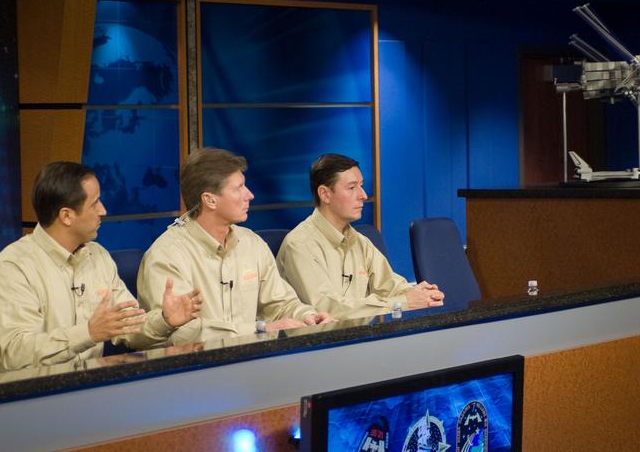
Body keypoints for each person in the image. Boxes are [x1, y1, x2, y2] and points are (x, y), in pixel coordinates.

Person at [0, 161, 199, 371]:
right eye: (94, 203)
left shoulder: (98, 256)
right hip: (29, 397)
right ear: (66, 215)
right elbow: (14, 355)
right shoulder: (12, 269)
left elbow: (129, 327)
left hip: (89, 388)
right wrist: (88, 333)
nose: (103, 210)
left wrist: (164, 320)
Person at [138, 147, 332, 343]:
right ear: (210, 200)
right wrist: (259, 329)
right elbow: (182, 334)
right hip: (194, 368)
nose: (250, 195)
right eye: (239, 188)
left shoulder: (252, 244)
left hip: (251, 364)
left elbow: (280, 304)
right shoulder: (166, 255)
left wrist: (307, 316)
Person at [277, 154, 443, 318]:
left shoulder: (360, 241)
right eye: (352, 188)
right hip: (320, 343)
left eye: (361, 186)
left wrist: (420, 294)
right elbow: (328, 310)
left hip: (360, 340)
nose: (363, 195)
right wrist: (402, 302)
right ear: (325, 194)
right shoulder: (299, 245)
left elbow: (390, 284)